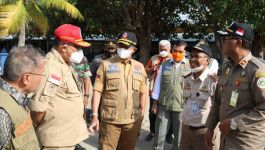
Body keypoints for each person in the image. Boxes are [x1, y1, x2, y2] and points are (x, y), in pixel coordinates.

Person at [205, 22, 265, 150]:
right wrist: (210, 128)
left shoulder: (257, 70)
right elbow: (217, 101)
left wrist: (234, 123)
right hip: (226, 140)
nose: (223, 42)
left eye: (226, 38)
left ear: (238, 42)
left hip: (246, 142)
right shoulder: (226, 68)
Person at [29, 24, 89, 150]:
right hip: (57, 141)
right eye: (77, 47)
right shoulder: (52, 68)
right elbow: (38, 107)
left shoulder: (65, 63)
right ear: (64, 47)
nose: (80, 51)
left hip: (66, 137)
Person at [89, 31, 147, 150]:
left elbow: (143, 92)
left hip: (132, 121)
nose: (121, 48)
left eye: (126, 46)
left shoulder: (139, 67)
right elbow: (97, 91)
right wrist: (95, 115)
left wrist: (141, 115)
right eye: (120, 45)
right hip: (110, 121)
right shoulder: (106, 65)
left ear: (133, 49)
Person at [0, 45, 45, 149]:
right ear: (27, 78)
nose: (42, 78)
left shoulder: (17, 98)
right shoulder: (3, 112)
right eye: (41, 74)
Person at [151, 40, 191, 150]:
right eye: (174, 51)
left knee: (179, 138)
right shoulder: (165, 64)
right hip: (164, 105)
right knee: (159, 135)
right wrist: (155, 104)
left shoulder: (190, 65)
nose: (177, 54)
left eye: (180, 51)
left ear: (185, 52)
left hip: (181, 107)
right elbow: (157, 84)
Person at [180, 43, 218, 150]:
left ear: (207, 60)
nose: (192, 59)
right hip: (186, 130)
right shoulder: (187, 79)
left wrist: (211, 130)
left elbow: (219, 107)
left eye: (197, 56)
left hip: (204, 132)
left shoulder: (213, 81)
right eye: (191, 56)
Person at [145, 40, 174, 143]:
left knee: (169, 113)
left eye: (165, 50)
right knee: (152, 113)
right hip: (153, 90)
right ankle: (152, 132)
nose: (163, 51)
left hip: (168, 91)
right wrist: (152, 69)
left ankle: (169, 135)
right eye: (161, 50)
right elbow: (146, 71)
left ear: (169, 49)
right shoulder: (154, 58)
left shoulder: (174, 58)